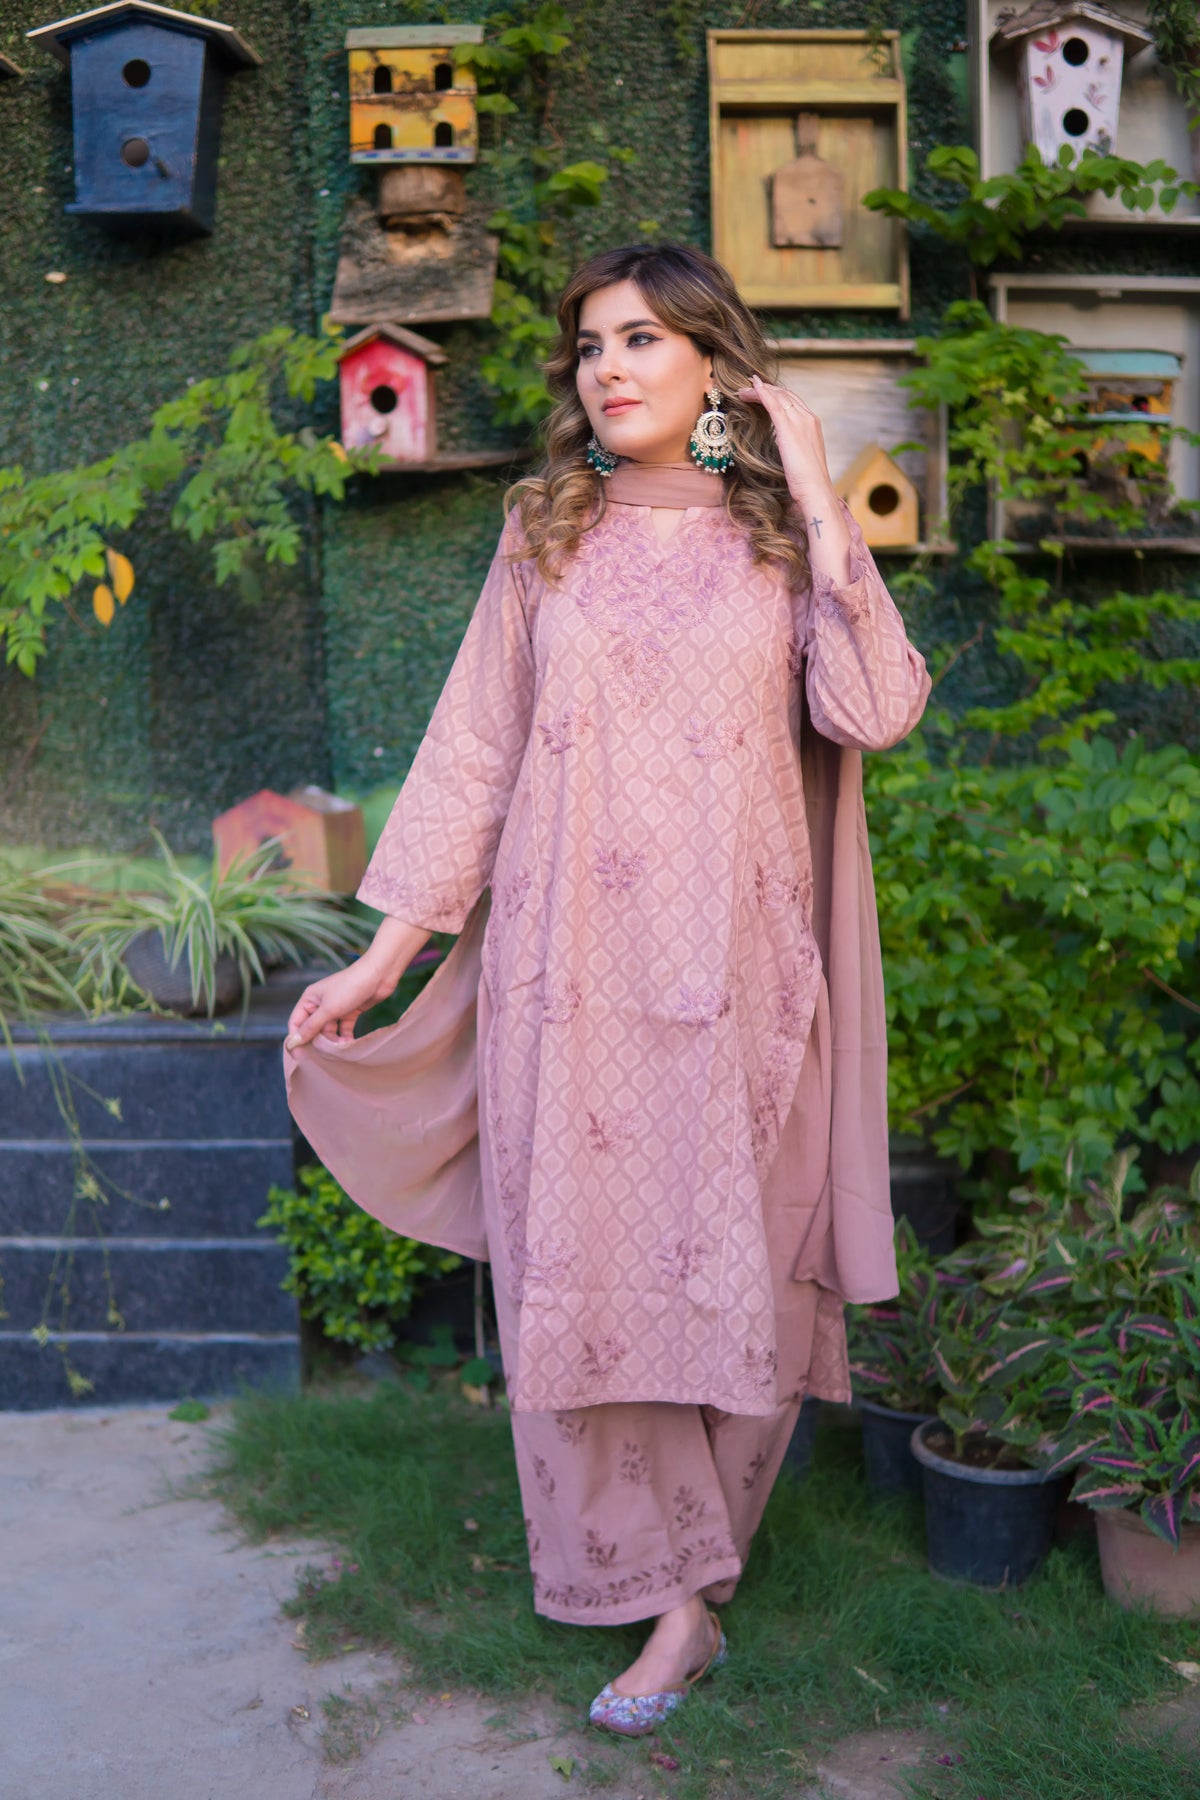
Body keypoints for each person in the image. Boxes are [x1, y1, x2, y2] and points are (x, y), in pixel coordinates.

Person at [284, 242, 930, 1737]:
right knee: (579, 1275)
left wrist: (822, 492)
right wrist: (385, 958)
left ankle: (701, 1570)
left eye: (643, 340)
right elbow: (474, 748)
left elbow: (874, 707)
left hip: (737, 976)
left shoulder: (781, 543)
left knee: (733, 1267)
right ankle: (668, 1597)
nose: (610, 369)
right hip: (565, 978)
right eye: (588, 347)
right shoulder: (545, 528)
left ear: (718, 368)